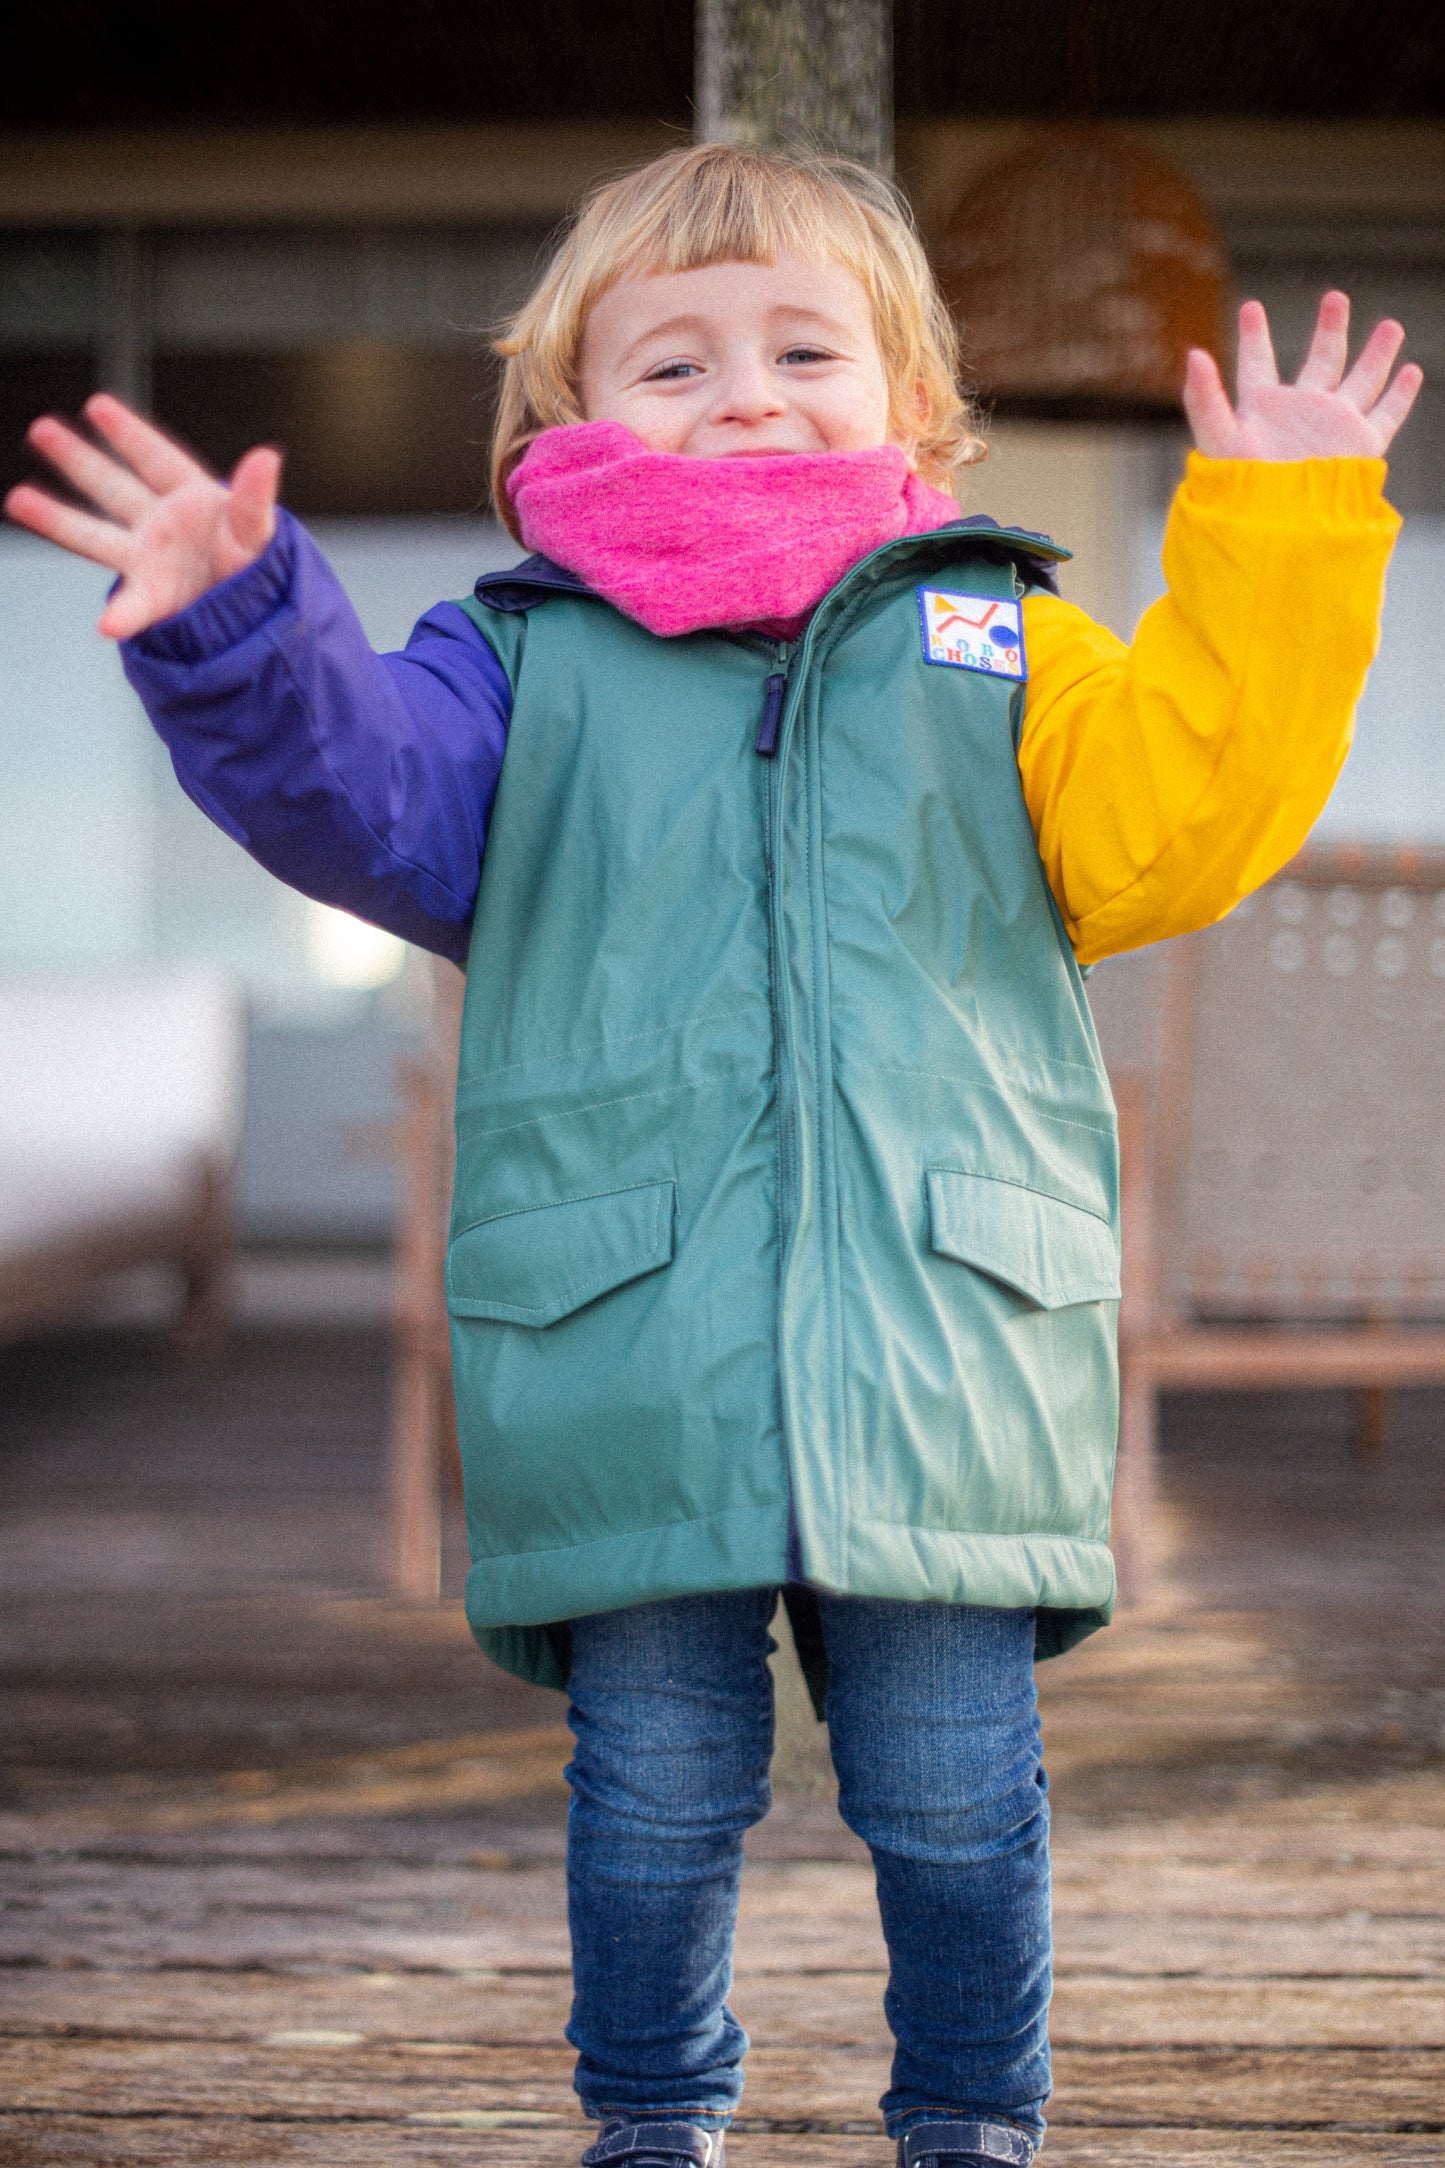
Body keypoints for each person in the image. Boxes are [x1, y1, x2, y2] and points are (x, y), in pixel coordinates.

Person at [5, 144, 1417, 2168]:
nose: (745, 392)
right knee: (654, 1791)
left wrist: (1275, 535)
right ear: (565, 419)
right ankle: (653, 2123)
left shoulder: (1005, 645)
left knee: (954, 1792)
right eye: (669, 363)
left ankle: (969, 2124)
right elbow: (367, 800)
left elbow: (1181, 815)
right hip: (623, 1325)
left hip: (944, 1325)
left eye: (802, 347)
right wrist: (241, 632)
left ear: (912, 405)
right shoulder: (517, 662)